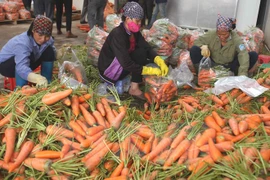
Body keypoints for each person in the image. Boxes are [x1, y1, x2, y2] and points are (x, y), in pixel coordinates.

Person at [98, 2, 168, 99]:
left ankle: (134, 85)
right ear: (127, 19)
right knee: (140, 54)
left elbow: (145, 46)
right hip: (109, 70)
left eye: (141, 21)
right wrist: (147, 70)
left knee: (142, 52)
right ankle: (133, 88)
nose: (140, 24)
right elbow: (126, 63)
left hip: (121, 64)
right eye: (137, 21)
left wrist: (158, 59)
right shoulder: (118, 34)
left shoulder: (134, 32)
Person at [190, 14, 258, 76]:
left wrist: (242, 75)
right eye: (219, 34)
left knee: (252, 55)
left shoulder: (236, 39)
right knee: (194, 50)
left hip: (229, 66)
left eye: (224, 34)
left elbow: (243, 53)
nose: (221, 37)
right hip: (212, 64)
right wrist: (202, 46)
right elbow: (198, 41)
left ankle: (235, 74)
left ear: (229, 31)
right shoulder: (212, 34)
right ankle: (201, 74)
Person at [0, 15, 56, 88]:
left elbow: (51, 49)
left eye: (47, 36)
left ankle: (47, 84)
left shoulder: (47, 39)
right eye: (40, 35)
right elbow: (21, 66)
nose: (43, 39)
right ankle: (21, 89)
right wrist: (37, 78)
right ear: (33, 30)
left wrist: (57, 54)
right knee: (27, 57)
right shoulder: (22, 43)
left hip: (27, 61)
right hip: (7, 66)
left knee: (49, 50)